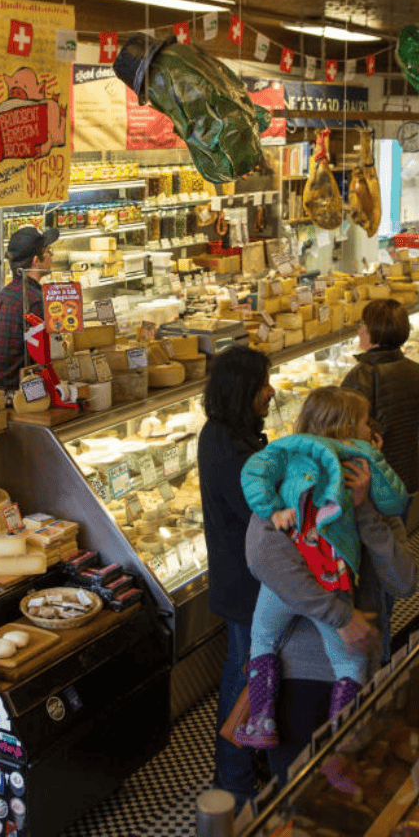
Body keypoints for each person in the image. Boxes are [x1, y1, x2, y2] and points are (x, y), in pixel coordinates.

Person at [234, 387, 408, 752]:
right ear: (348, 431)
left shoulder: (374, 500)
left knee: (337, 792)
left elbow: (404, 582)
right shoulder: (285, 490)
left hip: (368, 658)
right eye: (364, 424)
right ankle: (327, 739)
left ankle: (303, 734)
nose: (371, 430)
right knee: (297, 789)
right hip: (298, 674)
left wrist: (364, 513)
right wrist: (341, 617)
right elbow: (264, 559)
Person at [197, 345, 275, 811]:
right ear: (242, 391)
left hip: (241, 578)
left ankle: (244, 763)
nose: (270, 391)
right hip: (244, 583)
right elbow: (258, 512)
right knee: (243, 676)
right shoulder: (228, 447)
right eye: (262, 384)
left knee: (248, 672)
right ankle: (233, 776)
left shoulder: (227, 434)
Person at [340, 298, 419, 500]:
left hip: (379, 484)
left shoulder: (361, 376)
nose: (360, 331)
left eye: (363, 325)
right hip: (411, 475)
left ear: (375, 331)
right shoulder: (415, 369)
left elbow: (344, 435)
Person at [0, 225, 58, 391]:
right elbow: (44, 357)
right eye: (48, 251)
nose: (51, 255)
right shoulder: (35, 300)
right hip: (25, 393)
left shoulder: (3, 294)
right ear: (35, 261)